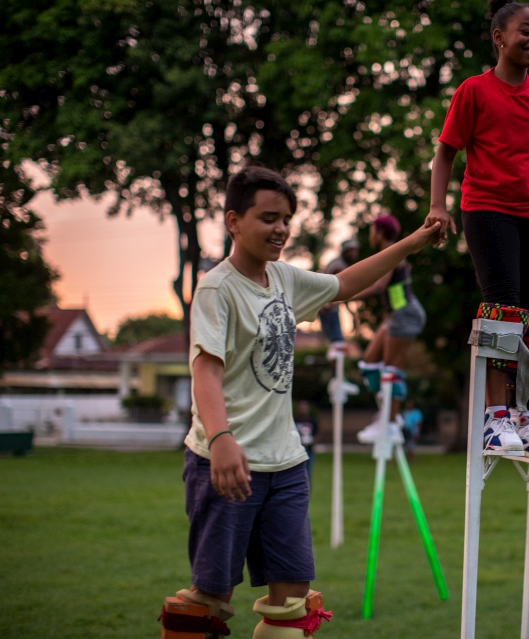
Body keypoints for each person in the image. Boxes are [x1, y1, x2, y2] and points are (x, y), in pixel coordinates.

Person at [163, 166, 439, 637]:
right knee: (209, 603)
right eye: (268, 217)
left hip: (286, 463)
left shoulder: (285, 279)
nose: (281, 229)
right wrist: (223, 438)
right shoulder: (216, 287)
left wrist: (410, 244)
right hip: (228, 459)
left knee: (293, 603)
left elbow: (345, 285)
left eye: (287, 218)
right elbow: (204, 368)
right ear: (233, 221)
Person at [425, 0, 529, 463]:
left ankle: (524, 419)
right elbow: (446, 152)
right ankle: (495, 418)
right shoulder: (474, 91)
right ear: (499, 37)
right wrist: (438, 206)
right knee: (504, 310)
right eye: (526, 30)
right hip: (487, 210)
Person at [352, 215, 428, 443]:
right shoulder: (389, 253)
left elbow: (379, 286)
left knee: (390, 372)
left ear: (379, 232)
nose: (370, 235)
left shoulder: (393, 253)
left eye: (372, 230)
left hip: (405, 314)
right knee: (369, 363)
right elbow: (392, 293)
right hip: (396, 314)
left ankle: (392, 423)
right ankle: (385, 415)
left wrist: (342, 297)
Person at [318, 238, 360, 355]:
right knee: (337, 344)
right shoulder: (339, 267)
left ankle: (336, 372)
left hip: (327, 307)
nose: (354, 254)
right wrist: (352, 314)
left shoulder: (337, 263)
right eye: (352, 251)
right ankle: (336, 372)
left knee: (335, 344)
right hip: (328, 308)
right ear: (345, 251)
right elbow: (342, 292)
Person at [294, 401, 318, 482]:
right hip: (296, 451)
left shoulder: (312, 421)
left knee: (308, 474)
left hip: (308, 450)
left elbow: (316, 433)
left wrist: (313, 442)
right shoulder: (295, 421)